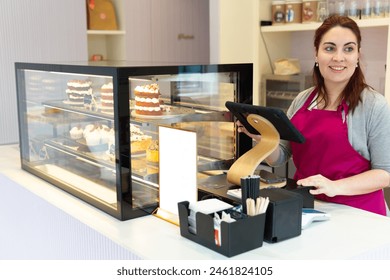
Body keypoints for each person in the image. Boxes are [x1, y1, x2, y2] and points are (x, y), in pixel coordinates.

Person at [239, 15, 390, 216]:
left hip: (360, 215)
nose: (338, 57)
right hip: (309, 208)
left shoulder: (374, 106)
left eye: (348, 49)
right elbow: (282, 155)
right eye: (329, 48)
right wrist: (265, 139)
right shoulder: (302, 99)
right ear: (316, 54)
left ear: (357, 56)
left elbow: (385, 173)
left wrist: (335, 187)